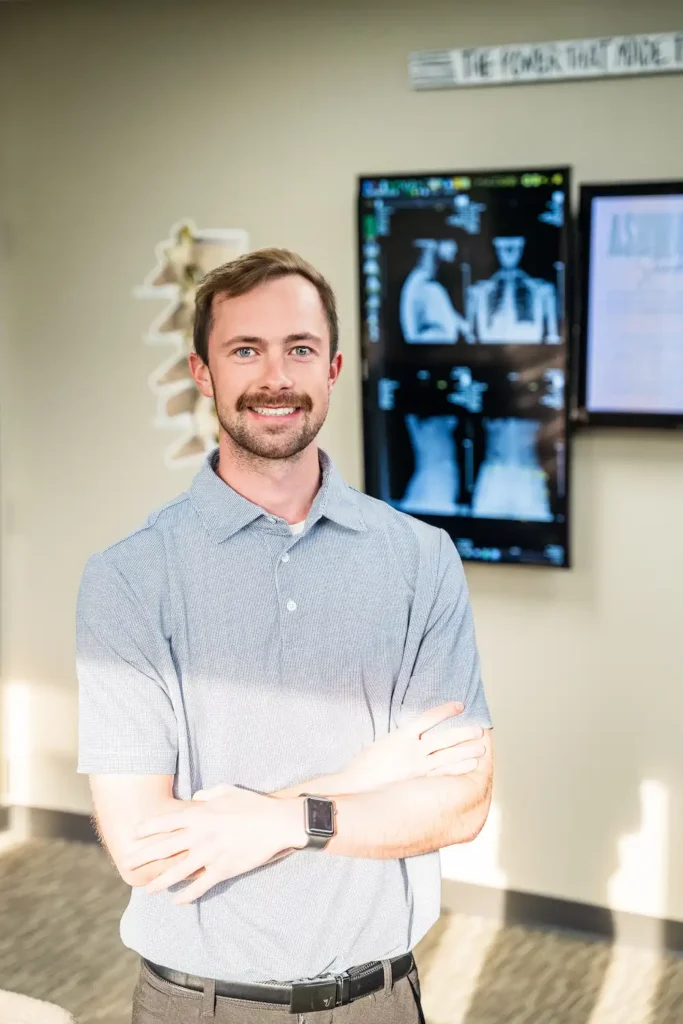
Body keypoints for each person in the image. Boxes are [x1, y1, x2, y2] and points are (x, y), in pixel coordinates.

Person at [76, 248, 494, 1024]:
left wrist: (277, 820)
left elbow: (459, 804)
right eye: (245, 350)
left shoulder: (420, 558)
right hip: (200, 1005)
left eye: (299, 349)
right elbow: (144, 848)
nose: (276, 377)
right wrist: (364, 777)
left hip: (381, 999)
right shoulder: (128, 578)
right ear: (202, 372)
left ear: (332, 369)